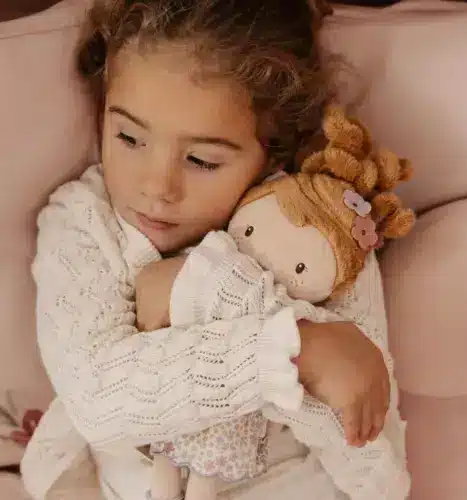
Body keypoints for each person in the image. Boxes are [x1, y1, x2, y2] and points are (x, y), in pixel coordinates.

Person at [21, 1, 395, 499]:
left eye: (201, 160)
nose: (157, 187)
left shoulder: (322, 234)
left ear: (274, 151)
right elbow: (98, 398)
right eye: (129, 137)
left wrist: (213, 293)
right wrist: (288, 352)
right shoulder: (85, 223)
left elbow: (372, 460)